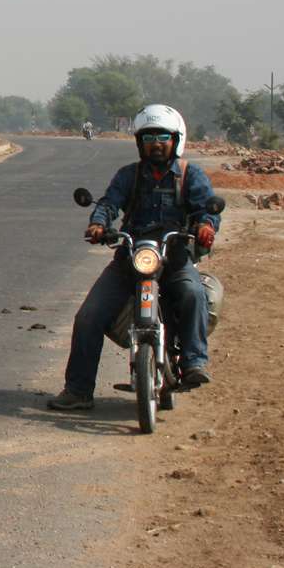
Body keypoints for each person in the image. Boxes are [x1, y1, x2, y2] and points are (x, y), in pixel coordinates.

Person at [48, 103, 222, 412]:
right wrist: (99, 223)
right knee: (88, 316)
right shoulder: (129, 175)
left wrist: (206, 226)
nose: (156, 143)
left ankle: (194, 362)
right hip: (131, 255)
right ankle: (78, 389)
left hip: (175, 256)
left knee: (193, 293)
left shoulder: (188, 174)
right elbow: (110, 202)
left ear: (176, 139)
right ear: (139, 142)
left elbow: (204, 207)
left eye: (163, 137)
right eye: (149, 137)